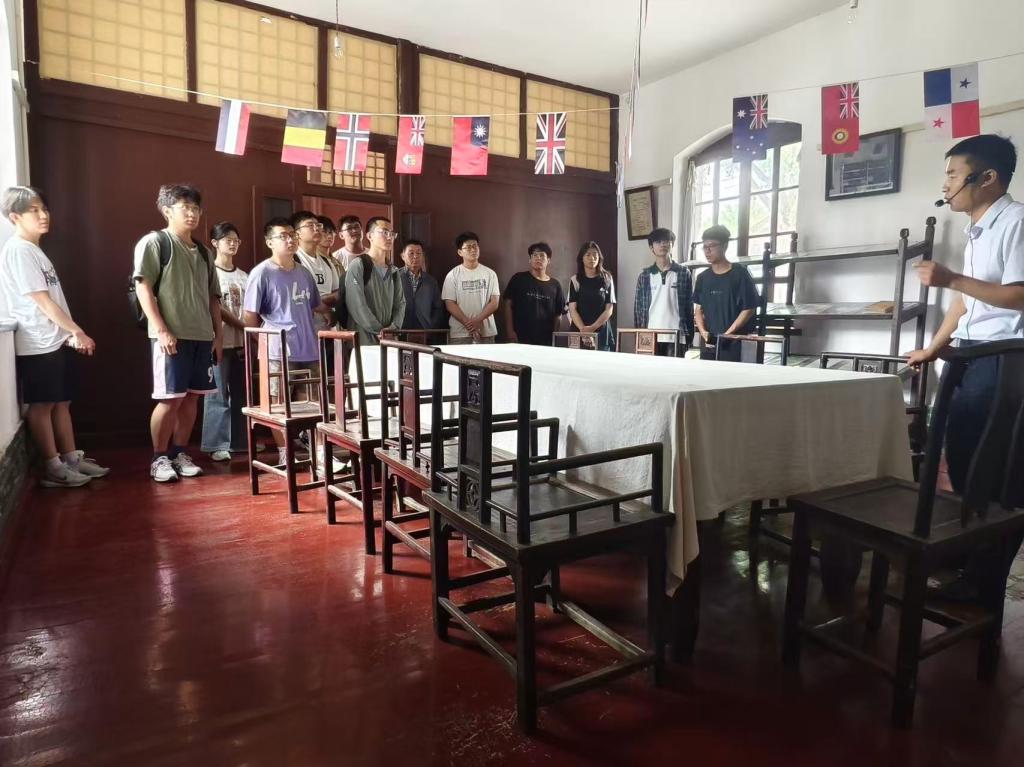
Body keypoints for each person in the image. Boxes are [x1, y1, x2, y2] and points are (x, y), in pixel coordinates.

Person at [907, 134, 1024, 600]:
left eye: (954, 174)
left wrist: (952, 277)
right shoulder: (979, 229)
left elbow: (1018, 295)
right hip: (970, 356)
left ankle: (984, 583)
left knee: (995, 471)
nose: (946, 184)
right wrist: (934, 346)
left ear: (987, 177)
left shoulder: (1016, 221)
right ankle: (965, 556)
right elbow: (965, 302)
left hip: (1003, 359)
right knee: (960, 459)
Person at [0, 186, 108, 487]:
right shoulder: (19, 250)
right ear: (15, 217)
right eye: (33, 210)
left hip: (55, 339)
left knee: (62, 402)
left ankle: (71, 459)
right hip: (37, 342)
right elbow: (41, 301)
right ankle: (52, 466)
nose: (43, 215)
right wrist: (76, 330)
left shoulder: (33, 249)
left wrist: (67, 334)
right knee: (43, 405)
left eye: (44, 209)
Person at [133, 184, 222, 483]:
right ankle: (159, 458)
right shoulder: (155, 242)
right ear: (167, 210)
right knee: (169, 399)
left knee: (192, 398)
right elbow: (143, 287)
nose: (192, 213)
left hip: (202, 337)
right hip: (171, 336)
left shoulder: (205, 253)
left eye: (196, 208)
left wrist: (218, 337)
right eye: (186, 207)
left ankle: (180, 453)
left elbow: (213, 298)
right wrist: (161, 329)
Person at [243, 218, 327, 468]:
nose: (290, 240)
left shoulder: (304, 272)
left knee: (314, 403)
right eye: (283, 236)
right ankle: (284, 452)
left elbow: (315, 306)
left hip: (308, 348)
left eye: (292, 235)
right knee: (278, 404)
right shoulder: (262, 272)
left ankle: (319, 453)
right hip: (277, 350)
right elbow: (249, 316)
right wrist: (265, 343)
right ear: (269, 242)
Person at [201, 222, 248, 462]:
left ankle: (240, 442)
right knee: (217, 393)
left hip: (242, 342)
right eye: (227, 239)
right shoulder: (211, 273)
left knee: (241, 393)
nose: (232, 243)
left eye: (236, 240)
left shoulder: (244, 276)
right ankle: (215, 444)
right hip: (218, 341)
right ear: (214, 243)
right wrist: (243, 325)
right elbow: (216, 307)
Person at [692, 225, 760, 362]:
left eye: (712, 246)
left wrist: (727, 335)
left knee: (733, 374)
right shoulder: (703, 277)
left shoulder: (740, 274)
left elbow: (749, 309)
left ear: (725, 246)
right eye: (705, 247)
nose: (707, 251)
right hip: (710, 340)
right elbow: (698, 309)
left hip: (735, 340)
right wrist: (704, 333)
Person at [344, 216, 405, 344]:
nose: (389, 237)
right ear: (369, 236)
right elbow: (357, 305)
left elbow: (400, 304)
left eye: (392, 234)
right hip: (363, 339)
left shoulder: (394, 270)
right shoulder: (359, 265)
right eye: (384, 232)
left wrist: (393, 328)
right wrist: (379, 331)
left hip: (389, 339)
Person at [633, 227, 693, 355]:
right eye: (658, 242)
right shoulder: (644, 276)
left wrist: (690, 335)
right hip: (650, 334)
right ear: (651, 247)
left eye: (666, 241)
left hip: (676, 334)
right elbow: (638, 310)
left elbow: (689, 307)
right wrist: (639, 334)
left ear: (672, 244)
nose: (663, 244)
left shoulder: (683, 273)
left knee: (674, 368)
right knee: (650, 367)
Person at [442, 231, 500, 344]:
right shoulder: (452, 275)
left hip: (486, 332)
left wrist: (478, 320)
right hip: (460, 333)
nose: (473, 250)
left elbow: (494, 302)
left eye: (475, 246)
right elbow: (450, 304)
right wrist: (469, 324)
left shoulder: (490, 274)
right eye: (468, 247)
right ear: (460, 252)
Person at [503, 242, 566, 346]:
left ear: (548, 260)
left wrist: (554, 337)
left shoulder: (555, 285)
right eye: (535, 255)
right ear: (530, 259)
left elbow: (558, 314)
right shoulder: (518, 278)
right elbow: (507, 304)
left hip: (546, 340)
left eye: (542, 255)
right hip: (520, 337)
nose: (538, 258)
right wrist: (510, 331)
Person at [292, 210, 341, 336]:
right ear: (297, 233)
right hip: (303, 329)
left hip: (327, 328)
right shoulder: (294, 260)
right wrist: (322, 306)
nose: (317, 228)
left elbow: (337, 292)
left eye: (318, 225)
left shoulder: (327, 262)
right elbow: (296, 297)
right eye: (310, 225)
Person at [568, 240, 617, 351]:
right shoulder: (575, 280)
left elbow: (609, 309)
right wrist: (584, 331)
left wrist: (593, 328)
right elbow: (572, 309)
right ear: (582, 258)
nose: (592, 258)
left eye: (595, 254)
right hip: (579, 330)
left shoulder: (607, 278)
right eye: (588, 255)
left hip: (601, 330)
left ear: (599, 257)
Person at [398, 239, 446, 330]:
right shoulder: (395, 278)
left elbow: (438, 308)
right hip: (399, 331)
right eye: (411, 253)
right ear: (403, 256)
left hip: (425, 332)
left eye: (419, 253)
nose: (415, 256)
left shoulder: (431, 281)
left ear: (423, 256)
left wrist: (431, 326)